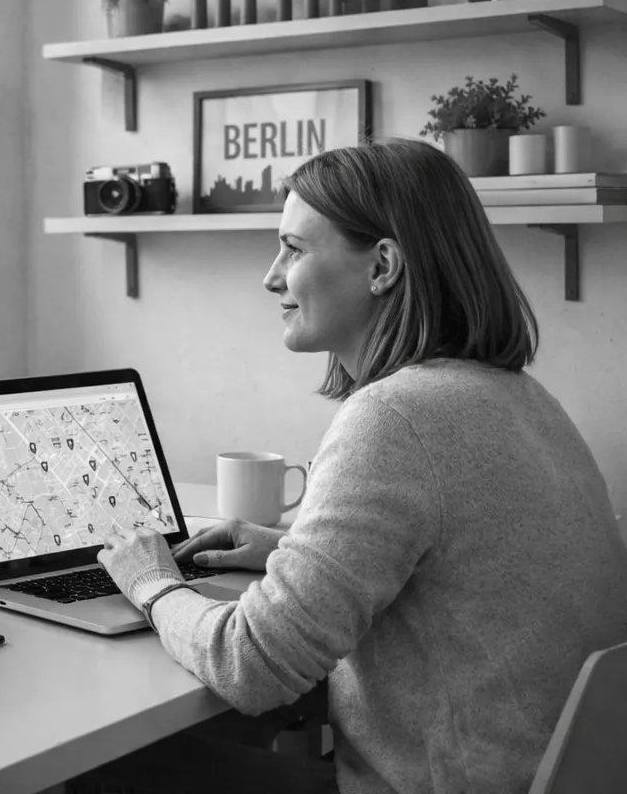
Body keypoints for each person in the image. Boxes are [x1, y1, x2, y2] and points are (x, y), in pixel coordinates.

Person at [92, 138, 627, 794]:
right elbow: (470, 568)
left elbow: (249, 665)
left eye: (293, 248)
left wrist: (151, 582)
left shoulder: (397, 417)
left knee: (108, 772)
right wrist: (290, 549)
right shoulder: (520, 398)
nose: (270, 275)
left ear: (382, 266)